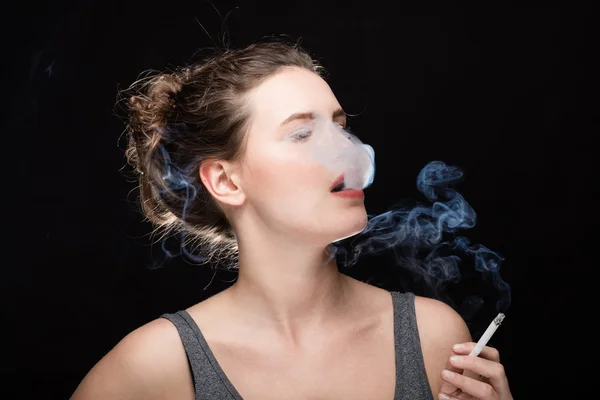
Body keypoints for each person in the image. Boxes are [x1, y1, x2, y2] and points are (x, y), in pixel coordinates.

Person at [70, 40, 513, 400]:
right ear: (224, 181)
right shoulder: (156, 367)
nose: (349, 151)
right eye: (303, 134)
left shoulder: (433, 337)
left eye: (340, 127)